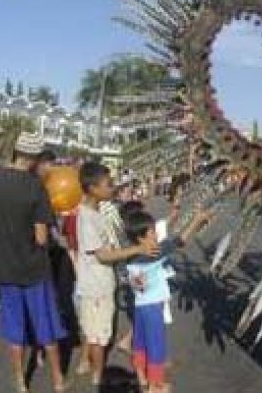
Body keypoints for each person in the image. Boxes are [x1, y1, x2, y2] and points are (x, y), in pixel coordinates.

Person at [0, 133, 68, 393]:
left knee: (15, 329)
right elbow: (42, 237)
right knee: (47, 328)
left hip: (5, 265)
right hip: (33, 268)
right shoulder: (35, 187)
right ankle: (57, 380)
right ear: (33, 158)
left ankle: (21, 381)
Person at [74, 161, 159, 387]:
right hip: (97, 287)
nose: (112, 188)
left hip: (99, 284)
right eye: (108, 184)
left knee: (94, 332)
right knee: (100, 338)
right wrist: (139, 249)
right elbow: (103, 256)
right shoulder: (88, 218)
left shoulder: (95, 212)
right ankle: (98, 377)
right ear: (93, 188)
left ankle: (91, 369)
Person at [124, 211, 172, 393]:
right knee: (156, 347)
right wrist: (197, 221)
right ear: (140, 238)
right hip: (153, 308)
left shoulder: (130, 256)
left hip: (140, 306)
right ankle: (155, 386)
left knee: (140, 342)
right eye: (152, 232)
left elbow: (133, 281)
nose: (156, 234)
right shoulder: (155, 253)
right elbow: (180, 240)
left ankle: (141, 377)